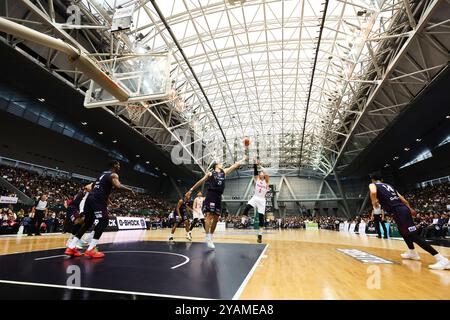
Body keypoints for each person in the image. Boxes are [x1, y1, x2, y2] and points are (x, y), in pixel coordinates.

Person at [369, 171, 449, 270]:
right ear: (382, 180)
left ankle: (441, 259)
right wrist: (410, 209)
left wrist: (374, 202)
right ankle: (412, 252)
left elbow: (373, 192)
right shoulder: (389, 186)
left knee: (413, 235)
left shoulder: (373, 184)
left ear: (373, 180)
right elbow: (402, 199)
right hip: (402, 209)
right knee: (402, 231)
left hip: (398, 211)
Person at [65, 161, 134, 258]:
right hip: (97, 200)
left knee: (88, 223)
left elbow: (93, 188)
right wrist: (130, 190)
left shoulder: (102, 174)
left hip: (90, 199)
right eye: (118, 165)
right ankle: (91, 249)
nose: (120, 167)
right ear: (114, 166)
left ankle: (71, 247)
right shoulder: (114, 175)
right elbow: (118, 186)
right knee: (104, 221)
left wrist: (110, 203)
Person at [186, 156, 247, 249]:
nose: (222, 164)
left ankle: (210, 236)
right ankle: (207, 237)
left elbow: (235, 166)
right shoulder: (210, 173)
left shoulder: (224, 172)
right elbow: (201, 181)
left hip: (219, 196)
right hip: (211, 195)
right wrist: (191, 189)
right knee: (209, 216)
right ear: (216, 165)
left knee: (216, 218)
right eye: (220, 163)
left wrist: (243, 159)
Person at [241, 159, 269, 243]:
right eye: (260, 173)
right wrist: (255, 164)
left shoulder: (266, 181)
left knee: (261, 218)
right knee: (246, 208)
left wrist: (260, 165)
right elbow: (255, 172)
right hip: (255, 197)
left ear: (263, 175)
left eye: (262, 173)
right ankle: (242, 222)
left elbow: (266, 172)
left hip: (262, 200)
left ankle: (260, 235)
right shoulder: (257, 179)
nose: (261, 173)